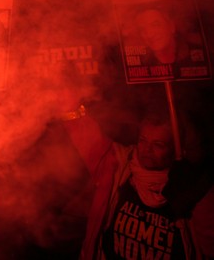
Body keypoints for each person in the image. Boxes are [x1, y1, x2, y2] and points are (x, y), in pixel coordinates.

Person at [64, 105, 213, 259]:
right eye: (143, 140)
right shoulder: (122, 164)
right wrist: (65, 100)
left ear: (175, 149)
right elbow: (86, 135)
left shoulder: (189, 186)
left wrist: (199, 193)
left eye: (158, 145)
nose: (146, 150)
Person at [133, 7, 205, 69]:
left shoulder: (201, 55)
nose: (149, 35)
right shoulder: (141, 62)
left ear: (171, 26)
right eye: (142, 29)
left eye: (155, 25)